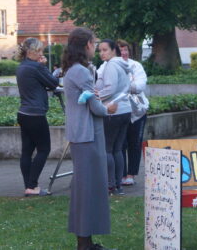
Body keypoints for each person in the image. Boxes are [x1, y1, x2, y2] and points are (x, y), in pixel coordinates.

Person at [62, 27, 117, 250]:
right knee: (89, 188)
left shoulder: (74, 70)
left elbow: (87, 99)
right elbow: (95, 107)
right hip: (88, 135)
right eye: (94, 43)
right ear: (87, 45)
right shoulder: (81, 72)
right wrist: (109, 109)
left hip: (81, 134)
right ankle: (85, 243)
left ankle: (86, 241)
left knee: (86, 187)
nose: (95, 47)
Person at [15, 38, 60, 197]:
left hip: (23, 113)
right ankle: (33, 185)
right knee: (44, 149)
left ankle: (28, 186)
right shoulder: (35, 67)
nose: (41, 54)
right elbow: (54, 82)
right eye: (39, 51)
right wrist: (44, 66)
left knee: (26, 151)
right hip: (36, 114)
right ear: (30, 52)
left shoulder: (21, 67)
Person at [96, 39, 132, 195]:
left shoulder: (111, 66)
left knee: (108, 149)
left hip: (113, 110)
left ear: (113, 50)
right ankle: (118, 184)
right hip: (125, 110)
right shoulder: (122, 65)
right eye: (99, 50)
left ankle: (110, 185)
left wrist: (96, 96)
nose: (101, 53)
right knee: (118, 149)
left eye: (105, 50)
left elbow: (110, 89)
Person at [117, 40, 148, 187]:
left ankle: (131, 174)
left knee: (135, 143)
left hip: (138, 112)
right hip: (118, 112)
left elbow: (140, 85)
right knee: (120, 144)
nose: (123, 53)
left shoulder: (136, 65)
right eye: (120, 50)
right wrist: (129, 85)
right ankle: (121, 174)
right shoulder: (108, 66)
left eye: (125, 50)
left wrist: (122, 86)